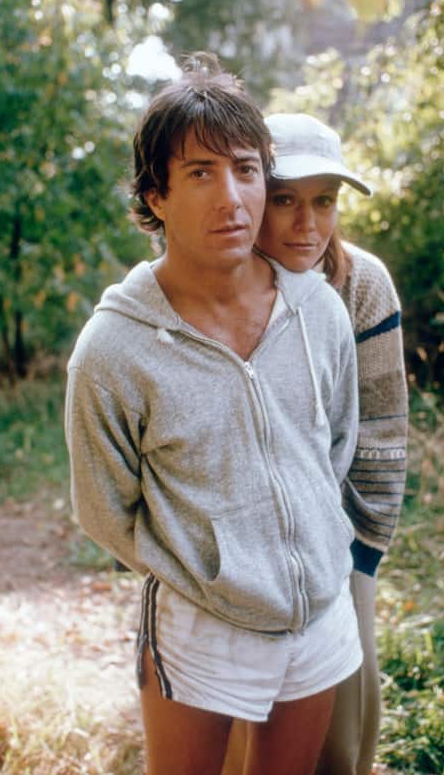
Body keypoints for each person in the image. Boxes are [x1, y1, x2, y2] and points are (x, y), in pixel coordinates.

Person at [65, 57, 364, 775]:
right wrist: (211, 569)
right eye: (200, 172)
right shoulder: (114, 348)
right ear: (154, 196)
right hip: (202, 629)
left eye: (245, 168)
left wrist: (314, 545)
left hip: (319, 615)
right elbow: (104, 510)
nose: (232, 197)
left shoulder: (316, 307)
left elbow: (337, 444)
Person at [222, 112, 408, 775]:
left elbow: (384, 433)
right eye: (286, 200)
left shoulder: (362, 285)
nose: (308, 225)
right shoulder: (222, 282)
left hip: (338, 537)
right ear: (252, 199)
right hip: (237, 548)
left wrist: (360, 557)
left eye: (324, 202)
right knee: (246, 732)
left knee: (343, 735)